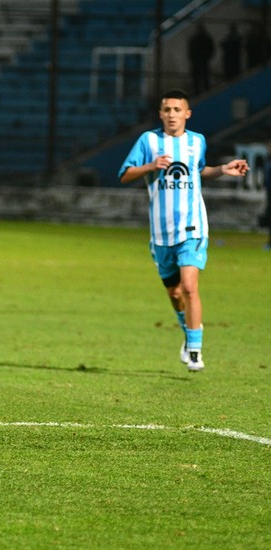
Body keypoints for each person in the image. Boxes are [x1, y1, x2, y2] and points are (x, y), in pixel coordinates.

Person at [118, 89, 249, 371]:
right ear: (160, 114)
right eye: (167, 110)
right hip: (161, 232)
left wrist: (222, 169)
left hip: (193, 226)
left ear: (187, 113)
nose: (172, 115)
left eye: (177, 110)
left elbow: (197, 170)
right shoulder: (149, 141)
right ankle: (189, 334)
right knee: (174, 294)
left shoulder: (196, 141)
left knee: (189, 287)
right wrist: (150, 166)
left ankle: (195, 351)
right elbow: (125, 174)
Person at [188, 23, 215, 95]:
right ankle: (202, 93)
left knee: (202, 80)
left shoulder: (198, 39)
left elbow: (211, 50)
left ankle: (203, 93)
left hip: (201, 62)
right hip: (199, 62)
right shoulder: (197, 39)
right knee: (199, 81)